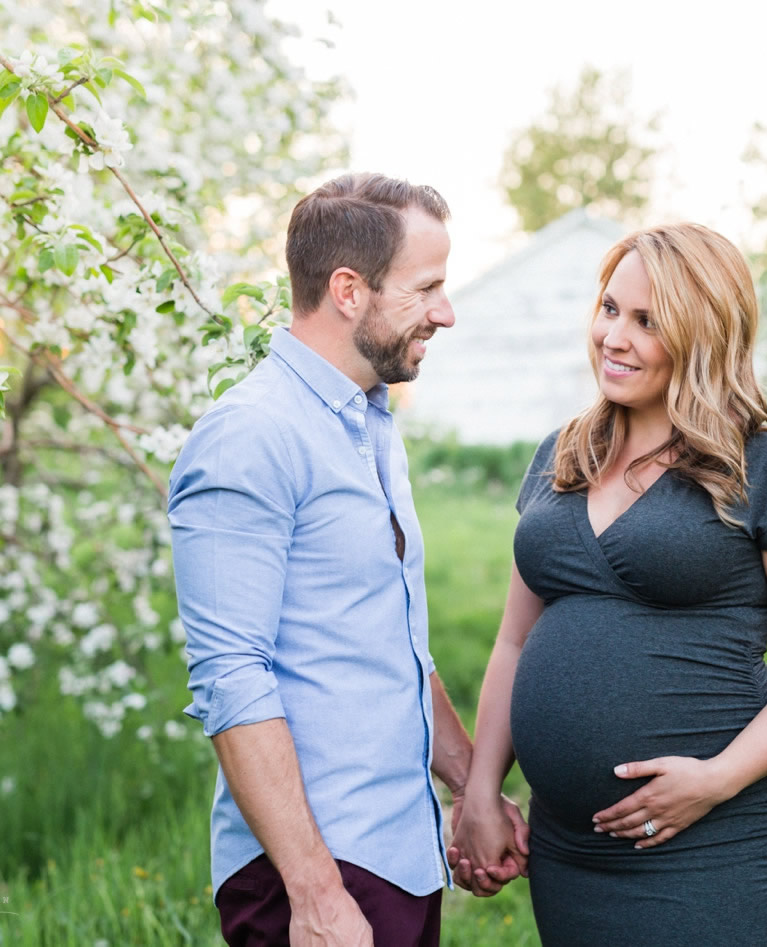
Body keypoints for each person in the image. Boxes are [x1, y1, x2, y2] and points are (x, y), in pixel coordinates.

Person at [448, 222, 767, 944]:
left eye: (647, 321)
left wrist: (719, 777)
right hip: (569, 846)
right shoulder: (564, 454)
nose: (615, 336)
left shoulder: (765, 466)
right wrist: (482, 791)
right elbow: (516, 640)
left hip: (709, 842)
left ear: (702, 334)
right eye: (610, 308)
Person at [168, 172, 528, 947]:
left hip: (396, 855)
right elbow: (233, 678)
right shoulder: (251, 435)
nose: (446, 311)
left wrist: (472, 789)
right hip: (312, 875)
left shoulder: (368, 424)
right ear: (348, 290)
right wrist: (317, 893)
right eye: (426, 286)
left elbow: (391, 642)